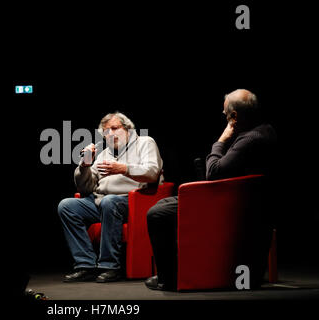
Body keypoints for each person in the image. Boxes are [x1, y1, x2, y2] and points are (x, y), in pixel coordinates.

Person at [145, 89, 277, 290]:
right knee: (165, 204)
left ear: (234, 117)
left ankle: (169, 277)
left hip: (230, 206)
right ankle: (181, 270)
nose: (224, 118)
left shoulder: (249, 139)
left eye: (225, 115)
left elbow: (213, 172)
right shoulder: (267, 130)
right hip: (237, 200)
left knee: (157, 213)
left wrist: (221, 140)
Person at [58, 112, 164, 282]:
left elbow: (152, 172)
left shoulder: (145, 143)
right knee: (67, 206)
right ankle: (86, 265)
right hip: (102, 201)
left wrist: (124, 169)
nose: (111, 134)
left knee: (110, 202)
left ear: (128, 128)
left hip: (133, 201)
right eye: (107, 132)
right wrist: (84, 166)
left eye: (115, 128)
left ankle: (109, 266)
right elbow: (85, 187)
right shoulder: (104, 153)